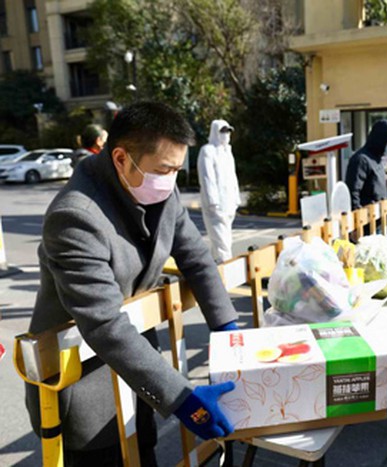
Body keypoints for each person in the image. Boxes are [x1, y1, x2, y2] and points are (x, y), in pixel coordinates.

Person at [26, 102, 240, 466]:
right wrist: (184, 398)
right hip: (88, 383)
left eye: (176, 169)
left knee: (145, 451)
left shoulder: (157, 188)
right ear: (122, 157)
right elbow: (104, 323)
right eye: (163, 169)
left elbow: (196, 258)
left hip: (139, 371)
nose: (171, 180)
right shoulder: (74, 217)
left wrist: (228, 329)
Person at [197, 120, 241, 263]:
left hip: (229, 205)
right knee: (222, 244)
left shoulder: (228, 152)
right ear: (215, 132)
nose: (226, 134)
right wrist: (212, 203)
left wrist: (236, 198)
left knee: (224, 241)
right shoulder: (207, 151)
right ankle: (225, 272)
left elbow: (233, 177)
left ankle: (215, 269)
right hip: (216, 206)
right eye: (223, 131)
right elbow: (206, 178)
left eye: (228, 131)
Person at [345, 119, 387, 210]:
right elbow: (353, 192)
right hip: (367, 217)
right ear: (381, 140)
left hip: (379, 214)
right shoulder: (361, 160)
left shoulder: (376, 159)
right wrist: (359, 217)